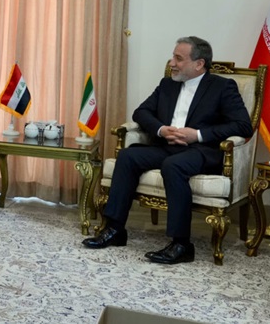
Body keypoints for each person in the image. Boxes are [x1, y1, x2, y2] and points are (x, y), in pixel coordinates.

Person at [83, 36, 253, 264]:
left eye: (178, 58)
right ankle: (115, 230)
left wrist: (197, 134)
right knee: (127, 156)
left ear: (199, 64)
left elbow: (243, 126)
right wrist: (162, 130)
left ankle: (182, 244)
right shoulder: (167, 85)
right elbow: (141, 112)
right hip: (166, 146)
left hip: (200, 151)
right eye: (173, 57)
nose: (171, 63)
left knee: (173, 166)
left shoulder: (222, 87)